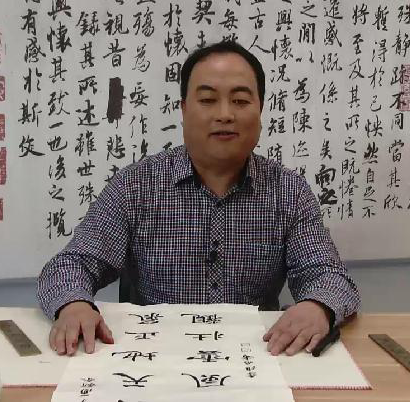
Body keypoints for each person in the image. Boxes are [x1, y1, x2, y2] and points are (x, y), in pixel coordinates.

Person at [38, 40, 360, 358]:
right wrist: (74, 304)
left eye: (240, 101)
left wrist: (318, 306)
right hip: (154, 360)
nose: (225, 114)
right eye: (207, 100)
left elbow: (328, 275)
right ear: (184, 109)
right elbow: (72, 264)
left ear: (260, 109)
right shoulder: (136, 185)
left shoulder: (288, 191)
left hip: (254, 357)